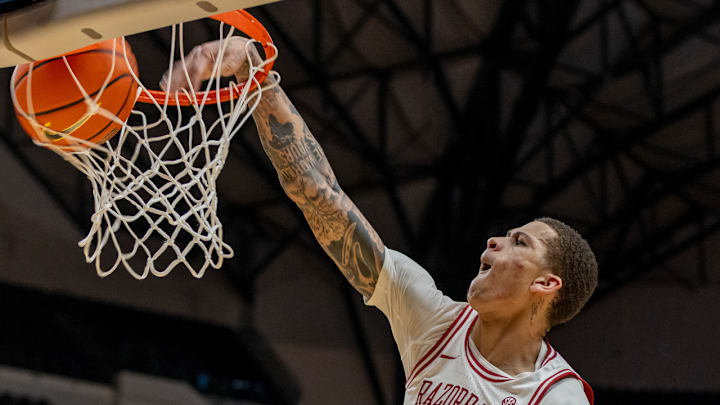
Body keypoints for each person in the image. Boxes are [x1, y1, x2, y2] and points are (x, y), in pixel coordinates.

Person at [162, 37, 598, 405]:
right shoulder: (433, 321)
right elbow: (319, 195)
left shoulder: (556, 396)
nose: (493, 242)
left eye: (519, 243)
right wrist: (255, 77)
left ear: (545, 284)